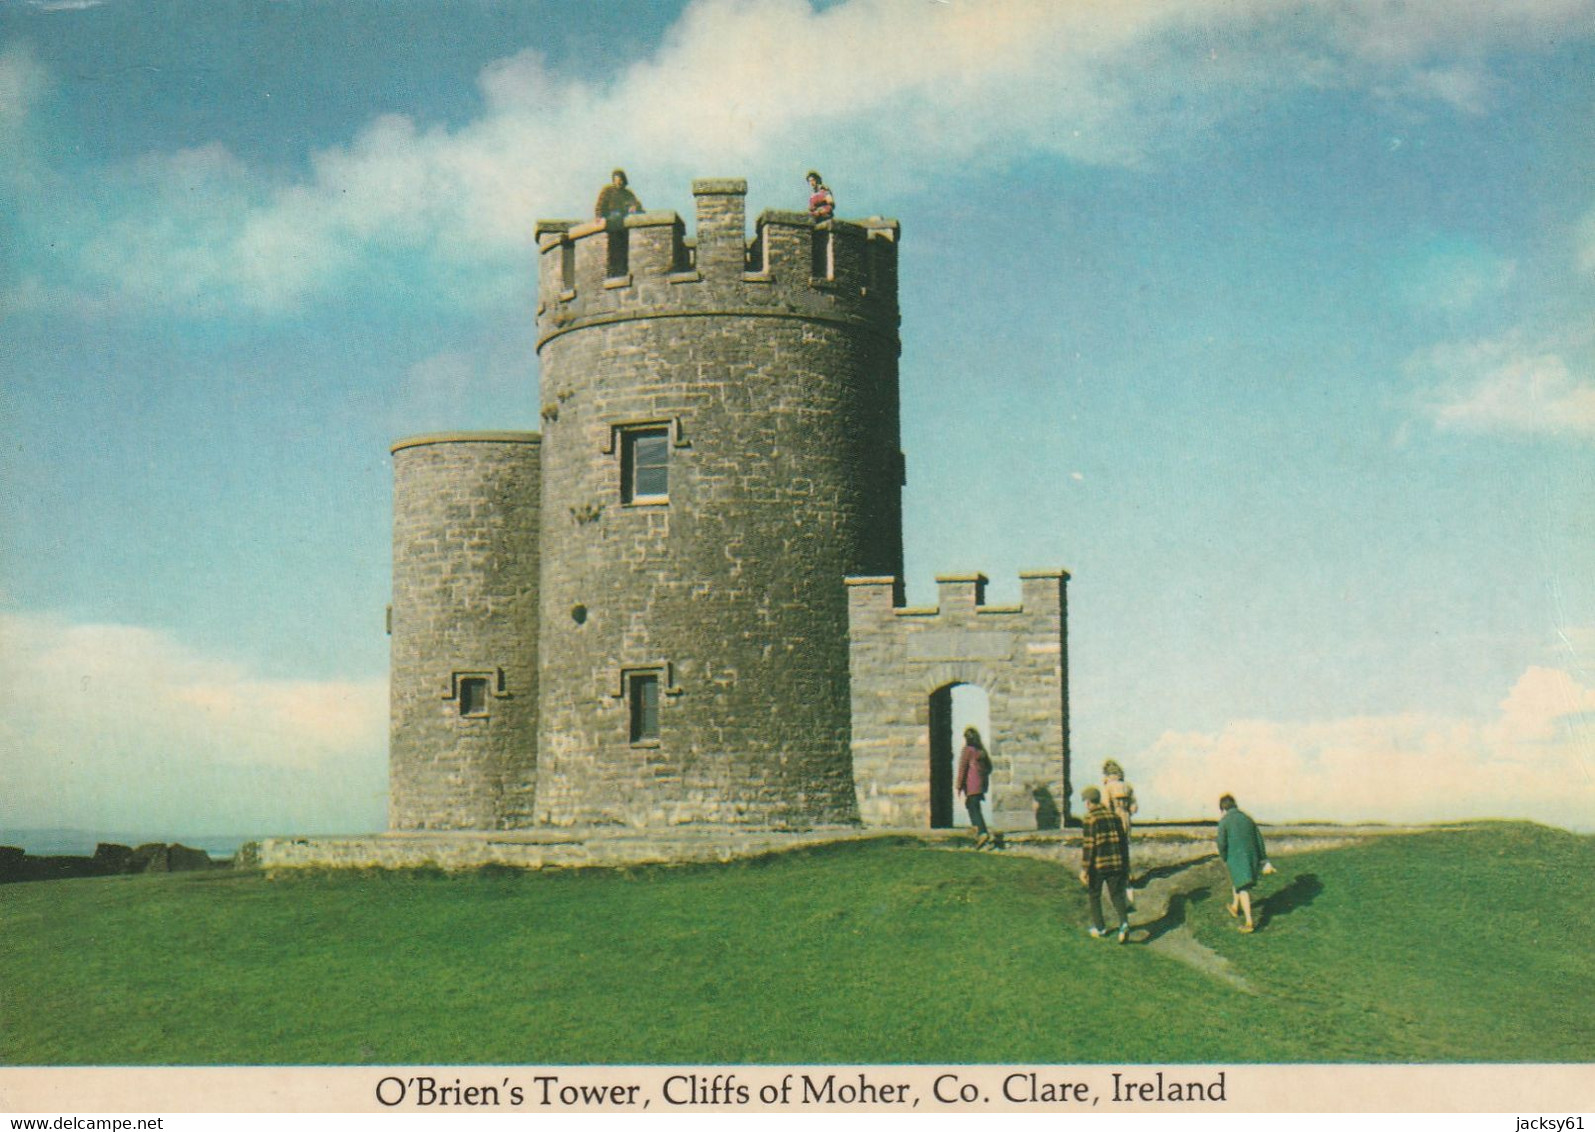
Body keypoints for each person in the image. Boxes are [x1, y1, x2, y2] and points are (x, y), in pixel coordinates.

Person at [1216, 793, 1274, 933]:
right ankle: (1235, 907)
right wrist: (1263, 859)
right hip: (1251, 857)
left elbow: (1221, 843)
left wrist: (1224, 857)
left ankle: (1249, 923)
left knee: (1242, 888)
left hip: (1235, 858)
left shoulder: (1224, 821)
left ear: (1223, 808)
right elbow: (1259, 840)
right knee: (1238, 882)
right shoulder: (1247, 819)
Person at [1078, 786, 1131, 943]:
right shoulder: (1114, 816)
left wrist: (1084, 870)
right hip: (1116, 864)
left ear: (1088, 802)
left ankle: (1100, 928)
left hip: (1098, 865)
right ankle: (1124, 924)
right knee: (1117, 895)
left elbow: (1089, 846)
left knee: (1094, 895)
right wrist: (1126, 866)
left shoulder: (1090, 818)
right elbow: (1123, 844)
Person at [1102, 759, 1138, 904]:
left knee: (1114, 848)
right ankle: (1127, 876)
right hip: (1126, 818)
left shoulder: (1108, 787)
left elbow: (1106, 805)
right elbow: (1134, 806)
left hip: (1114, 818)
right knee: (1125, 847)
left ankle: (1118, 879)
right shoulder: (1127, 786)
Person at [955, 726, 994, 849]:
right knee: (973, 805)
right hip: (980, 785)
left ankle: (981, 832)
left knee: (972, 806)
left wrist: (959, 786)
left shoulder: (967, 750)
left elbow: (963, 768)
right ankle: (982, 832)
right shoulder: (981, 751)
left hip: (972, 784)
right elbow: (989, 767)